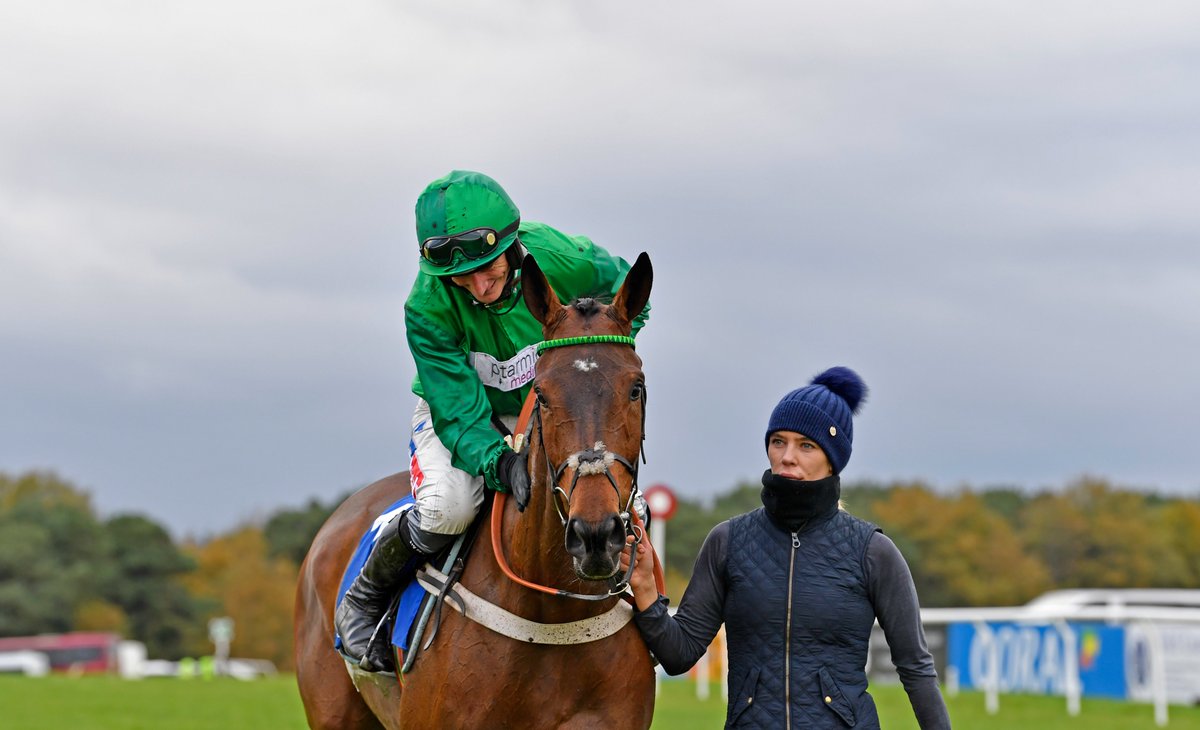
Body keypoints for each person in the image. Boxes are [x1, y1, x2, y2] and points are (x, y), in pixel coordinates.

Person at [336, 170, 650, 671]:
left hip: (550, 404)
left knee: (607, 493)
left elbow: (624, 290)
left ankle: (650, 614)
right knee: (450, 507)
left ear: (512, 244)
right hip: (463, 412)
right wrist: (497, 462)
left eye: (489, 267)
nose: (479, 286)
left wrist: (603, 347)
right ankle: (368, 594)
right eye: (462, 277)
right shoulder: (425, 307)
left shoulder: (560, 257)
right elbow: (457, 407)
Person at [622, 367, 951, 729]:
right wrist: (646, 592)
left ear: (833, 458)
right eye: (778, 441)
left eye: (805, 445)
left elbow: (917, 671)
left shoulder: (873, 551)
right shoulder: (727, 541)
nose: (787, 456)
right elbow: (679, 654)